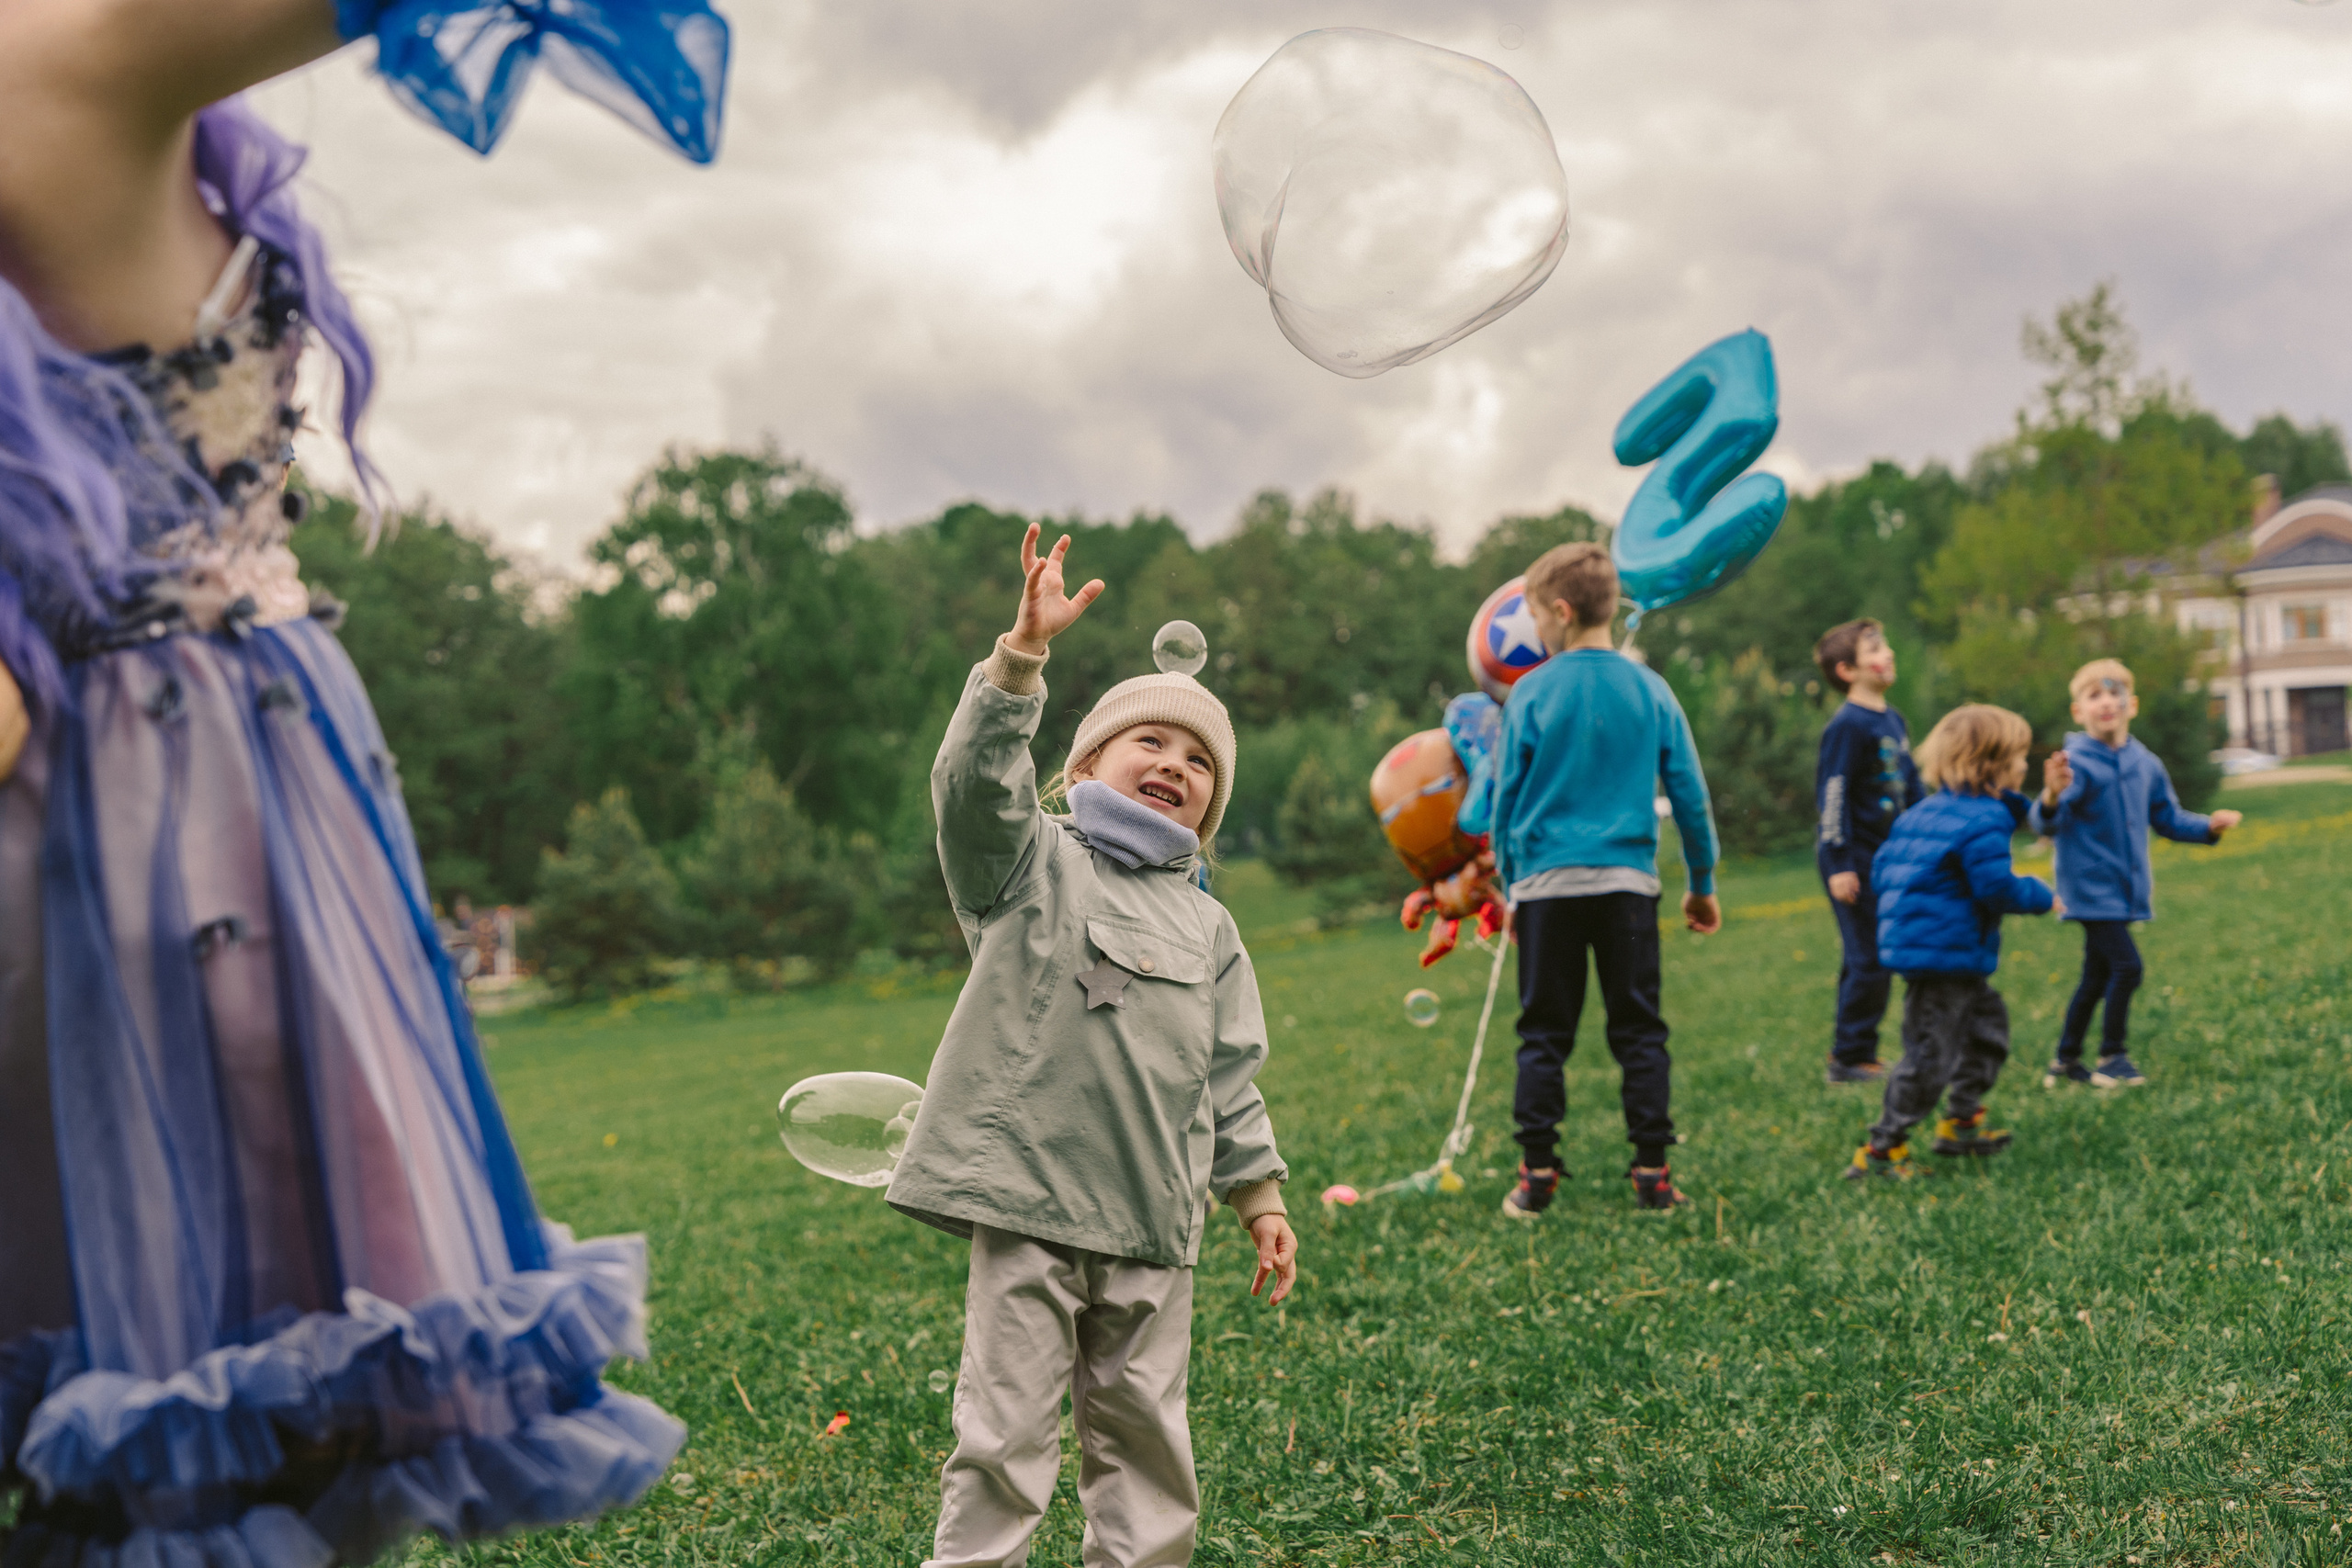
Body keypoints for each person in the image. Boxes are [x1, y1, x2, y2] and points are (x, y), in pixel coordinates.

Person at [0, 5, 726, 1562]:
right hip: (187, 829)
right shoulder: (65, 51)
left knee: (199, 1406)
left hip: (175, 798)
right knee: (243, 1405)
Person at [886, 524, 1296, 1568]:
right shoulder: (1032, 865)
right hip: (1028, 1206)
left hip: (1155, 1224)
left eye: (1201, 760)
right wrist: (1019, 661)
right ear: (1082, 766)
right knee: (1003, 1443)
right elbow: (972, 787)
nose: (1176, 764)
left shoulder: (1210, 927)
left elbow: (1229, 1076)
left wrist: (1260, 1197)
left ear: (1210, 809)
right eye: (1150, 741)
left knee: (1149, 1450)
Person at [1489, 542, 1722, 1217]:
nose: (1534, 630)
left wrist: (1511, 884)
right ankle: (1652, 1170)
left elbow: (1506, 801)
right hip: (1628, 887)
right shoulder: (1650, 688)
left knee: (1542, 1036)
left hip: (1544, 890)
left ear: (1560, 611)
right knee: (1640, 1031)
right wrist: (1700, 880)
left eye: (1533, 616)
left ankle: (1536, 1173)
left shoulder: (1529, 691)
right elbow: (1690, 793)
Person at [1843, 705, 2060, 1180]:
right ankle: (1882, 1151)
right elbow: (1995, 888)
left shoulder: (1925, 812)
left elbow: (1882, 869)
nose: (2025, 766)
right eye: (2019, 757)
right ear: (1993, 766)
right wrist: (2044, 896)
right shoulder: (1982, 820)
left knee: (1987, 1034)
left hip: (1943, 953)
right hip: (1943, 957)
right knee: (1928, 1056)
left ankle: (1961, 1124)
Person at [2029, 659, 2240, 1089]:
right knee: (2127, 967)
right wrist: (2051, 794)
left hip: (2125, 891)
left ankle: (2065, 1062)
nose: (2106, 702)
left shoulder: (2145, 764)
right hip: (2090, 890)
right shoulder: (2078, 765)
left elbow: (2168, 819)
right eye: (2094, 695)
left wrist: (2208, 827)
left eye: (2114, 693)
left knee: (2097, 975)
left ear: (2132, 705)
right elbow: (2046, 823)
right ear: (2078, 712)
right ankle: (2113, 1057)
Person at [1811, 618, 1925, 1085]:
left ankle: (1851, 1049)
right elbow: (1833, 795)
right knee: (1871, 959)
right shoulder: (1848, 726)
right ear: (1846, 670)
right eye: (1876, 648)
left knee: (1868, 957)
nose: (1889, 653)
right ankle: (1852, 1057)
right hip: (1854, 860)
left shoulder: (1892, 719)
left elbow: (1911, 786)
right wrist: (1839, 863)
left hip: (1889, 858)